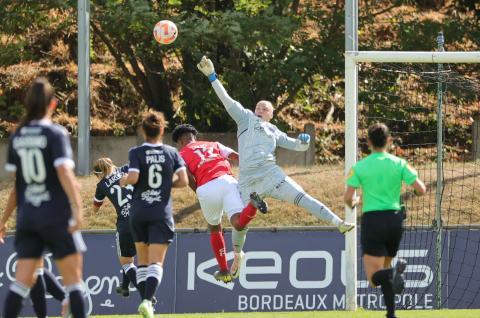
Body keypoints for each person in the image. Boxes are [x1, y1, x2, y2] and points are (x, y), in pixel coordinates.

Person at [197, 56, 355, 234]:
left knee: (303, 198)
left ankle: (338, 222)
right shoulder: (245, 118)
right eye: (258, 107)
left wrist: (305, 141)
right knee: (240, 225)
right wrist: (212, 76)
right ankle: (237, 257)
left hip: (272, 176)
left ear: (271, 115)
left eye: (265, 108)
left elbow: (298, 147)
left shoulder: (275, 131)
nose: (260, 110)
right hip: (248, 180)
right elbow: (227, 100)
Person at [0, 77, 86, 318]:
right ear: (53, 104)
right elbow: (64, 172)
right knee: (74, 283)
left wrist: (4, 220)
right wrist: (77, 207)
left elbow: (17, 187)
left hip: (28, 217)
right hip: (56, 216)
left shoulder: (17, 136)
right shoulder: (55, 133)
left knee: (20, 283)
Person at [344, 123, 426, 318]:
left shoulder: (359, 167)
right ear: (389, 141)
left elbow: (348, 198)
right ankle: (391, 314)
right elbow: (421, 189)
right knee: (386, 267)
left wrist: (356, 202)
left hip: (373, 221)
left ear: (368, 142)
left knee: (374, 278)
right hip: (395, 220)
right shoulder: (399, 163)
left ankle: (392, 275)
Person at [172, 124, 267, 282]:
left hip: (206, 187)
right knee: (238, 222)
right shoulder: (214, 144)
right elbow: (236, 156)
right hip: (227, 180)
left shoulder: (181, 154)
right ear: (193, 137)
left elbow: (188, 177)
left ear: (181, 142)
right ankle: (252, 204)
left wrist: (198, 191)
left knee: (215, 227)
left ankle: (223, 270)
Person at [119, 111, 188, 318]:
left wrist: (124, 180)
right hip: (160, 213)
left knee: (143, 261)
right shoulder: (172, 152)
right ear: (162, 130)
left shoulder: (136, 152)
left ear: (143, 130)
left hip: (139, 212)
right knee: (156, 263)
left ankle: (144, 302)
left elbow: (133, 177)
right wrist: (167, 186)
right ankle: (148, 302)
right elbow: (184, 181)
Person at [0, 188, 69, 318]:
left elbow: (16, 191)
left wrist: (3, 221)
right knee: (37, 268)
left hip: (32, 217)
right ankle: (65, 299)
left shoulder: (24, 169)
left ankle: (47, 312)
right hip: (49, 215)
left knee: (32, 270)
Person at [92, 157, 138, 297]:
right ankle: (124, 287)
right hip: (142, 215)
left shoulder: (101, 185)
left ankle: (146, 292)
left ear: (99, 173)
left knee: (126, 262)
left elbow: (95, 208)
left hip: (126, 221)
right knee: (129, 258)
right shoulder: (125, 169)